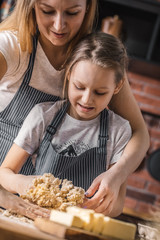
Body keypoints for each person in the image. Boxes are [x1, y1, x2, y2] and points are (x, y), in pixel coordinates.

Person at [0, 0, 149, 215]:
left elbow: (140, 133)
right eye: (47, 11)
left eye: (72, 12)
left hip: (40, 208)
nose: (59, 26)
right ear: (30, 6)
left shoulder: (95, 59)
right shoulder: (10, 46)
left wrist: (117, 175)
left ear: (87, 8)